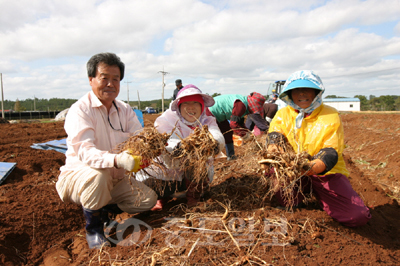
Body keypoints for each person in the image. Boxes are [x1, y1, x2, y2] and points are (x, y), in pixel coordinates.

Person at [55, 53, 157, 249]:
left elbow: (139, 137)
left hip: (115, 180)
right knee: (98, 175)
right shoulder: (80, 110)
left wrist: (148, 149)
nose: (110, 84)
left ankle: (102, 210)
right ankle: (94, 229)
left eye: (116, 79)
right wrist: (118, 160)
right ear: (91, 80)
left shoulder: (125, 110)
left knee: (148, 199)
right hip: (78, 179)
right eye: (104, 78)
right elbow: (85, 152)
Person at [265, 70, 371, 227]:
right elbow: (275, 134)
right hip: (292, 172)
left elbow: (330, 151)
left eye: (307, 89)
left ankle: (324, 197)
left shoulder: (330, 115)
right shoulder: (282, 114)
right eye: (296, 90)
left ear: (316, 92)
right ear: (289, 94)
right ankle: (296, 199)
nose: (302, 94)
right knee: (275, 175)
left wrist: (309, 167)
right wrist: (274, 147)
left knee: (356, 216)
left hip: (326, 173)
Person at [137, 85, 225, 209]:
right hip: (168, 172)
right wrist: (178, 147)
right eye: (185, 103)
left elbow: (216, 134)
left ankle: (193, 197)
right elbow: (167, 140)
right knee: (151, 183)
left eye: (195, 102)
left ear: (202, 106)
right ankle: (162, 198)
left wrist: (214, 143)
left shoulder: (207, 121)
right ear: (178, 107)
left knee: (195, 157)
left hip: (195, 175)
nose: (190, 107)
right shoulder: (166, 120)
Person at [206, 92, 268, 160]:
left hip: (220, 115)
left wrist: (247, 132)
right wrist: (244, 135)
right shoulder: (241, 105)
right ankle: (210, 157)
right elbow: (233, 124)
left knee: (227, 133)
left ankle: (231, 156)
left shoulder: (244, 105)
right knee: (214, 136)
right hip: (211, 111)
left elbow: (240, 123)